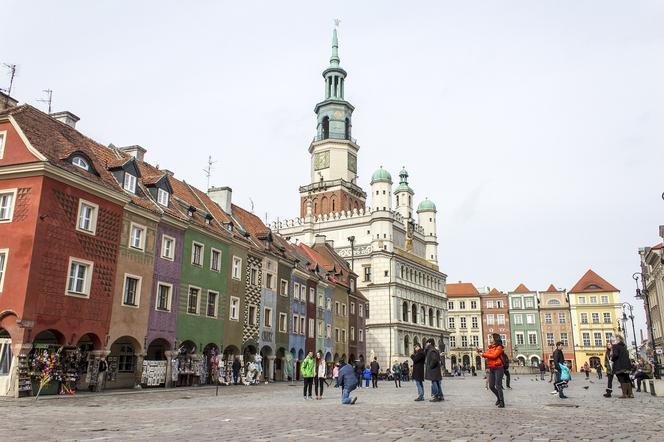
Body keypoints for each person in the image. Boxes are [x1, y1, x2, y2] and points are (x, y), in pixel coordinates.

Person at [478, 333, 505, 408]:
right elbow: (486, 355)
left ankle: (502, 402)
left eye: (491, 338)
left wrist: (483, 354)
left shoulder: (499, 347)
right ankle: (498, 398)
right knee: (491, 386)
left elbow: (494, 356)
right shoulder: (490, 348)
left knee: (498, 385)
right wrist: (481, 352)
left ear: (495, 339)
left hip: (499, 368)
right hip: (492, 368)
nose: (490, 339)